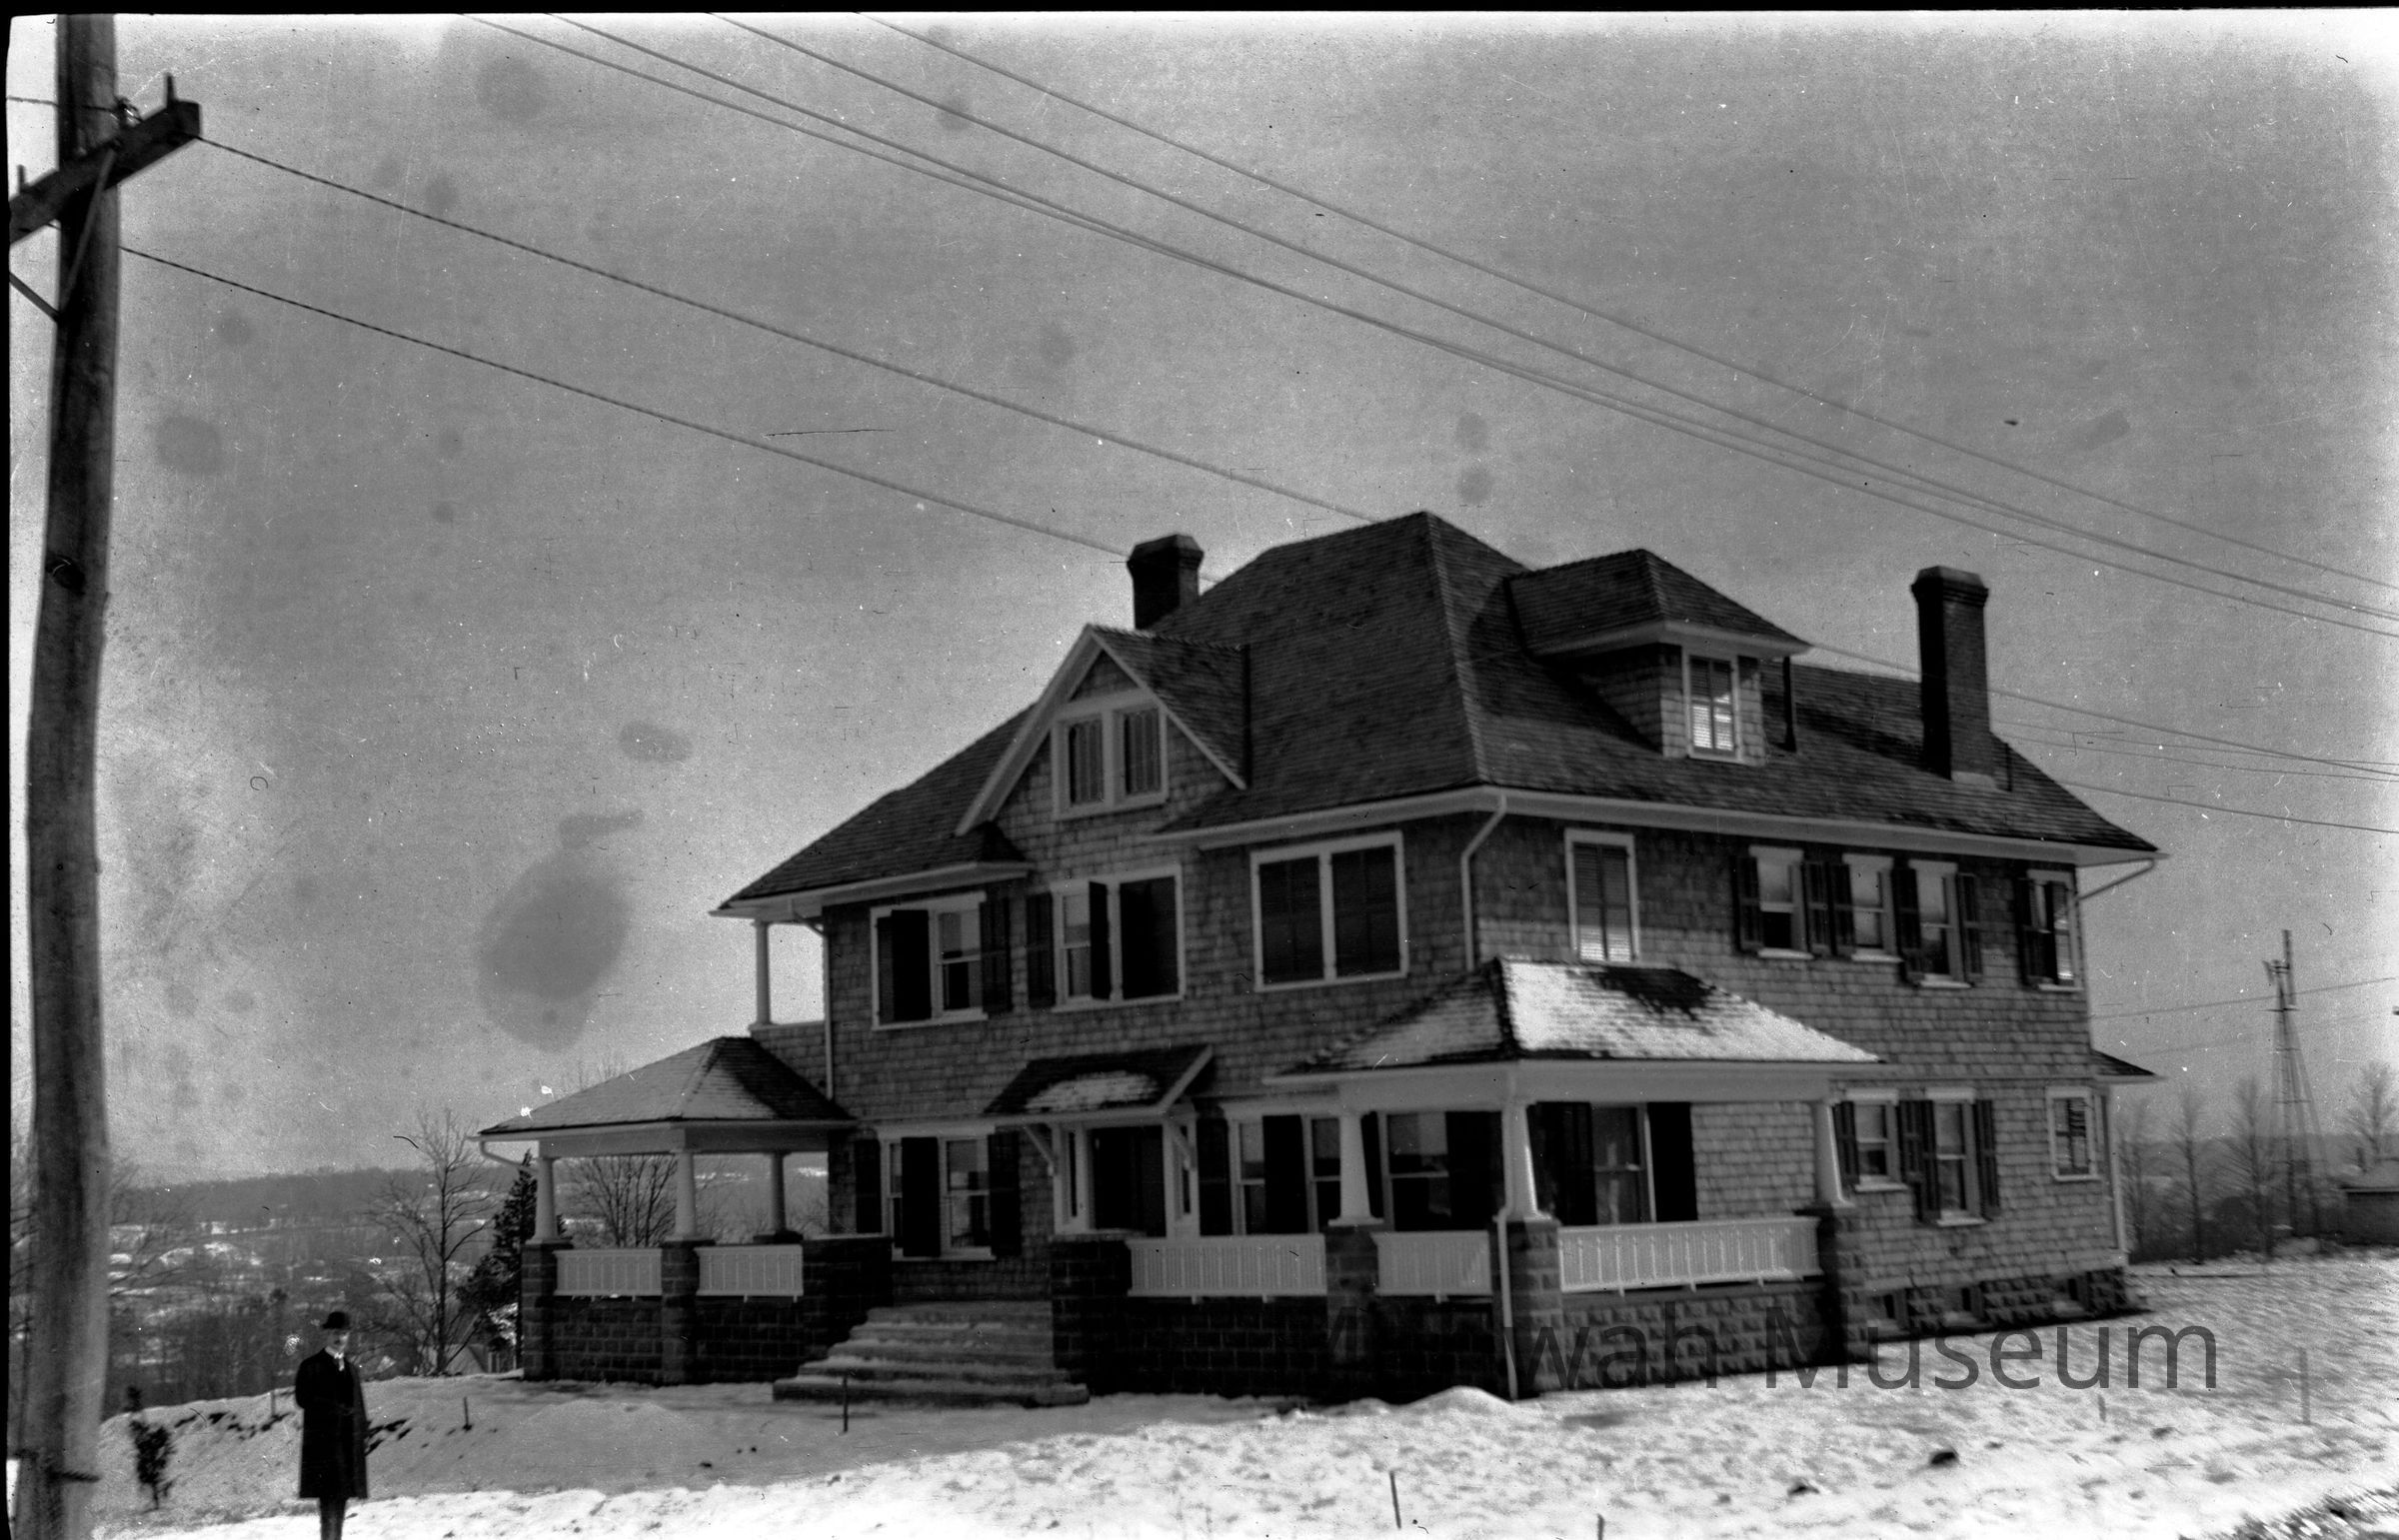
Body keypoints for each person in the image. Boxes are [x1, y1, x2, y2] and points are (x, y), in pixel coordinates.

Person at [294, 1310, 369, 1540]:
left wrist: (363, 1434)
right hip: (324, 1451)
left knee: (341, 1507)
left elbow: (359, 1405)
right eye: (335, 1333)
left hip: (346, 1451)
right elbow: (303, 1399)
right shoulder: (311, 1366)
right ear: (327, 1334)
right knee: (328, 1510)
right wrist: (334, 1409)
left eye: (344, 1333)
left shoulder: (352, 1369)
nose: (339, 1338)